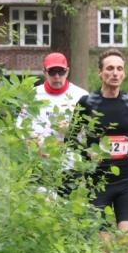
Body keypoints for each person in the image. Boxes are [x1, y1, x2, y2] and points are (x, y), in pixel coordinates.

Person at [69, 49, 128, 253]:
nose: (115, 73)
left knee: (125, 244)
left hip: (125, 182)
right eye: (109, 69)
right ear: (100, 73)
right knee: (105, 247)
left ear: (123, 74)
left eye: (119, 69)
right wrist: (86, 152)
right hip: (98, 184)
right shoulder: (88, 103)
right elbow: (71, 139)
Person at [16, 52, 88, 192]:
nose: (56, 76)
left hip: (70, 165)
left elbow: (93, 129)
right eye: (52, 72)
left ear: (67, 71)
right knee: (41, 209)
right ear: (44, 72)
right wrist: (31, 139)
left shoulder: (81, 96)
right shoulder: (33, 94)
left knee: (66, 208)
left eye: (60, 72)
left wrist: (73, 128)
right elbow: (20, 125)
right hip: (39, 164)